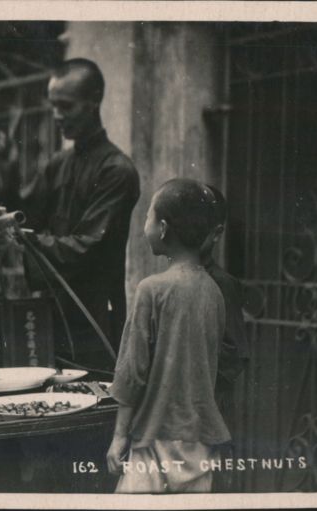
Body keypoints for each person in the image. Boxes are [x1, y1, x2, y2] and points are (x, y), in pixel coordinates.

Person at [0, 58, 140, 374]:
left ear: (94, 100)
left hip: (94, 319)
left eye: (66, 106)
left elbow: (88, 247)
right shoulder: (58, 164)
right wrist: (9, 175)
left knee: (91, 402)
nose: (57, 115)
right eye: (53, 105)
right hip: (49, 314)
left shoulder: (117, 171)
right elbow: (26, 217)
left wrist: (26, 241)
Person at [106, 178, 230, 493]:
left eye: (147, 216)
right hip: (198, 443)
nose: (144, 224)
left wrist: (120, 435)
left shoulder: (151, 289)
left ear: (162, 228)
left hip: (153, 440)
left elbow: (131, 373)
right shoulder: (213, 291)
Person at [201, 184, 250, 492]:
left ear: (216, 233)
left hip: (211, 408)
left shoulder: (221, 284)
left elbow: (236, 353)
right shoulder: (163, 286)